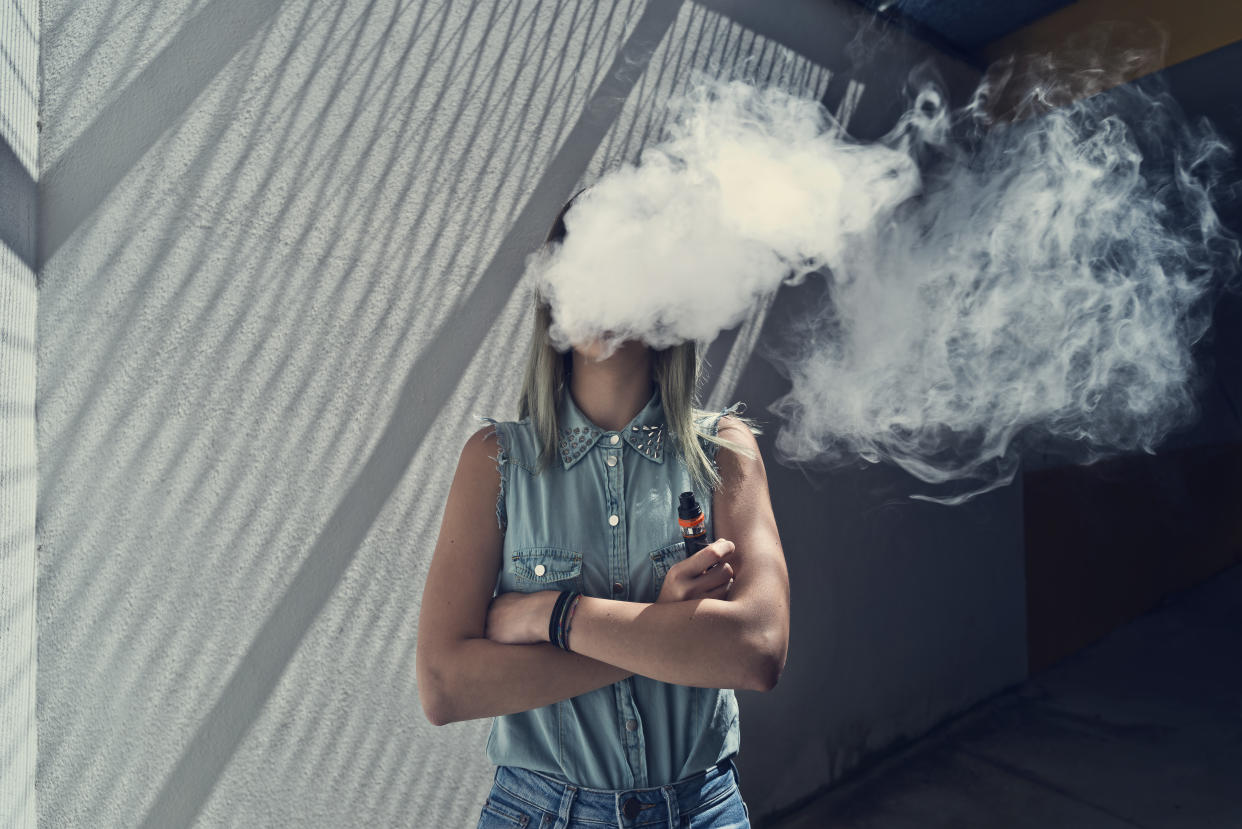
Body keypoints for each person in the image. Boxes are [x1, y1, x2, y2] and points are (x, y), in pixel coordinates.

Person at [416, 191, 790, 829]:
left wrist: (549, 614)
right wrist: (666, 633)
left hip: (699, 811)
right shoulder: (495, 462)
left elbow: (755, 651)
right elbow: (447, 687)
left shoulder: (724, 451)